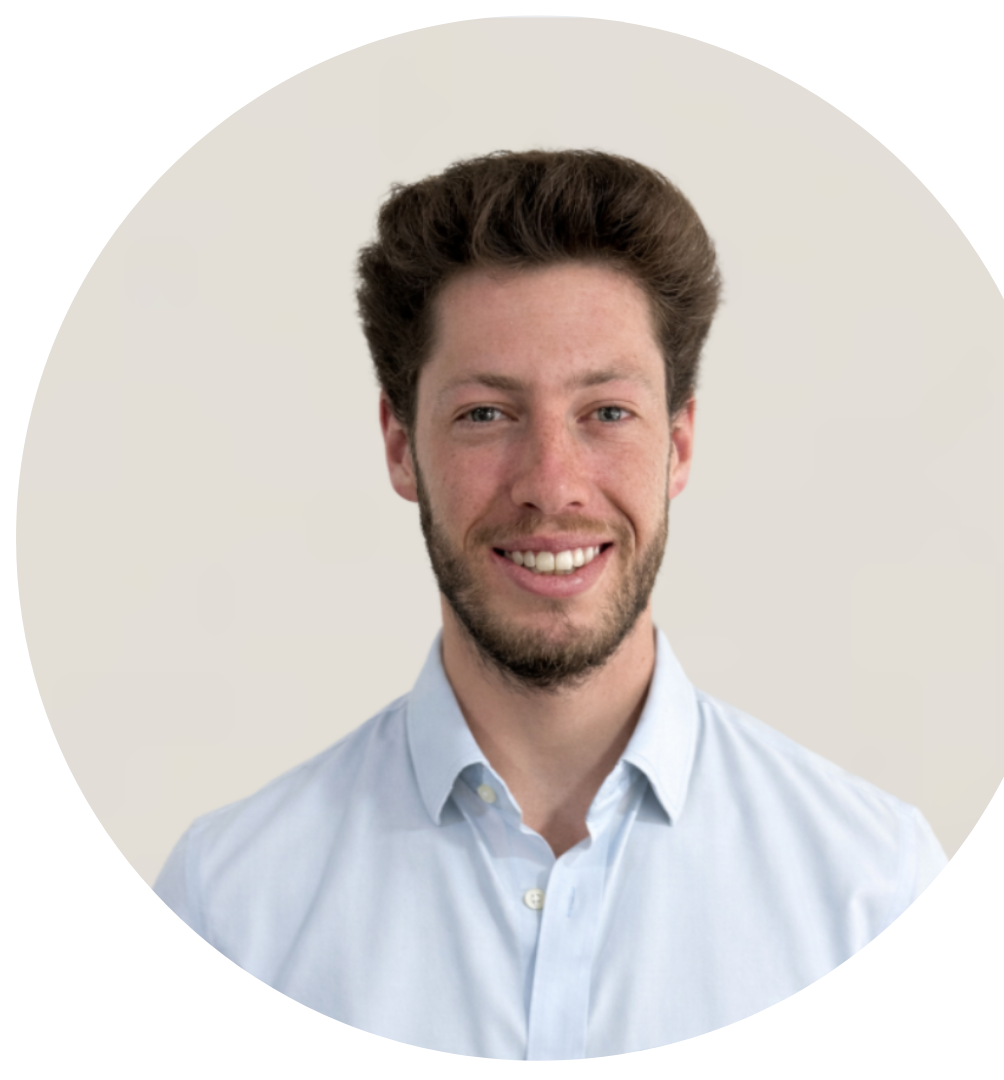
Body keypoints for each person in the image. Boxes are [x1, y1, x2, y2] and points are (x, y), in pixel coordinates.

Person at [154, 149, 947, 1058]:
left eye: (606, 412)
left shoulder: (872, 891)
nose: (551, 484)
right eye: (486, 414)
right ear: (401, 446)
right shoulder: (231, 907)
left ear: (680, 445)